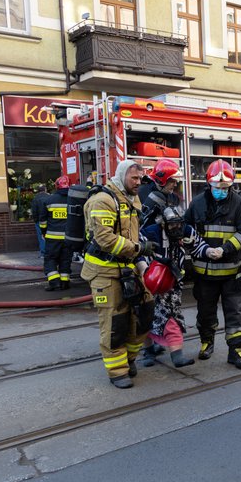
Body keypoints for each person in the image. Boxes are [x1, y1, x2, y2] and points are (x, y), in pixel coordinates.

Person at [81, 160, 157, 389]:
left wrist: (140, 260)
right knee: (115, 321)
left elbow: (133, 234)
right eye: (134, 178)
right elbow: (104, 239)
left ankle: (130, 359)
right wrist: (137, 250)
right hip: (104, 271)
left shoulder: (131, 198)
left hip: (129, 268)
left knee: (145, 312)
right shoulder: (103, 200)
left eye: (140, 178)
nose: (138, 182)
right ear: (122, 175)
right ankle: (117, 371)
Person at [184, 159, 241, 370]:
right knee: (205, 313)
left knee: (234, 313)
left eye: (225, 188)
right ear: (209, 184)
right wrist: (203, 249)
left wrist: (225, 249)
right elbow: (186, 230)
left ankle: (236, 351)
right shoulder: (197, 204)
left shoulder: (239, 204)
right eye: (217, 187)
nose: (221, 191)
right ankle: (207, 343)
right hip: (204, 273)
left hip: (231, 272)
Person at [138, 159, 199, 368]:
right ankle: (151, 351)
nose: (175, 185)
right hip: (153, 267)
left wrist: (202, 246)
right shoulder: (150, 202)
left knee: (168, 311)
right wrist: (144, 264)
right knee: (147, 312)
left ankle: (162, 350)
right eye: (172, 181)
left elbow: (187, 232)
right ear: (162, 179)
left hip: (171, 268)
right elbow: (140, 235)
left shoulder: (171, 199)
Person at [42, 176, 73, 291]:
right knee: (65, 259)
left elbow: (43, 221)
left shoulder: (49, 200)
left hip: (52, 238)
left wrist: (43, 232)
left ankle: (54, 282)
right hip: (68, 238)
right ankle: (65, 282)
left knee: (50, 259)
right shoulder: (73, 200)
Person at [30, 183, 48, 258]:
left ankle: (43, 253)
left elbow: (34, 211)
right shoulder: (49, 197)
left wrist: (36, 220)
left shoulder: (35, 198)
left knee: (41, 237)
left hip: (39, 221)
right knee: (49, 236)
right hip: (48, 221)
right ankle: (49, 252)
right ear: (45, 189)